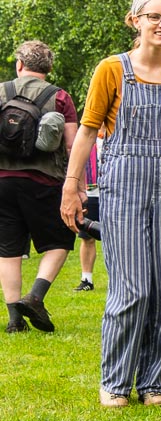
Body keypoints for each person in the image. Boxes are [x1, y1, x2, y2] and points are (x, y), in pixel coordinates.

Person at [61, 0, 161, 407]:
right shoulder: (112, 69)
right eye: (154, 17)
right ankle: (116, 383)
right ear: (135, 20)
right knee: (132, 288)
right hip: (123, 185)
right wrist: (72, 185)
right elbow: (88, 130)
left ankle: (155, 383)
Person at [1, 41, 78, 333]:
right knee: (60, 240)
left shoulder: (1, 91)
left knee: (8, 249)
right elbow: (71, 146)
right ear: (49, 67)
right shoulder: (59, 96)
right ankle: (35, 296)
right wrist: (78, 186)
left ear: (20, 64)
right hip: (44, 181)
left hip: (2, 181)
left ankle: (14, 320)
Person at [73, 127, 104, 292]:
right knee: (87, 237)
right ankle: (86, 280)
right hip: (90, 193)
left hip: (115, 193)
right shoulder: (87, 135)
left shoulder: (118, 134)